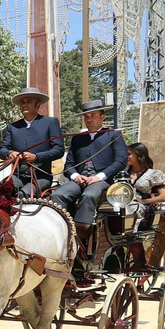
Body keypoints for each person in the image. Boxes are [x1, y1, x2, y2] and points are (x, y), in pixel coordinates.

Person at [52, 97, 127, 256]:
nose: (89, 119)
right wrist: (76, 176)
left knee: (88, 195)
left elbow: (121, 161)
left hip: (102, 182)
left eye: (93, 115)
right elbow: (69, 165)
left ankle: (79, 238)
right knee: (57, 195)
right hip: (80, 180)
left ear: (102, 117)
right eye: (86, 116)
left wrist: (98, 177)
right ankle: (61, 231)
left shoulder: (113, 136)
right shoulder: (78, 139)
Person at [0, 86, 64, 197]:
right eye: (22, 102)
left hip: (41, 177)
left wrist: (36, 157)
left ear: (37, 105)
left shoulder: (50, 123)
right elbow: (2, 150)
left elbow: (58, 150)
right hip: (17, 176)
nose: (25, 105)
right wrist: (9, 153)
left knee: (24, 194)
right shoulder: (12, 127)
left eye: (29, 101)